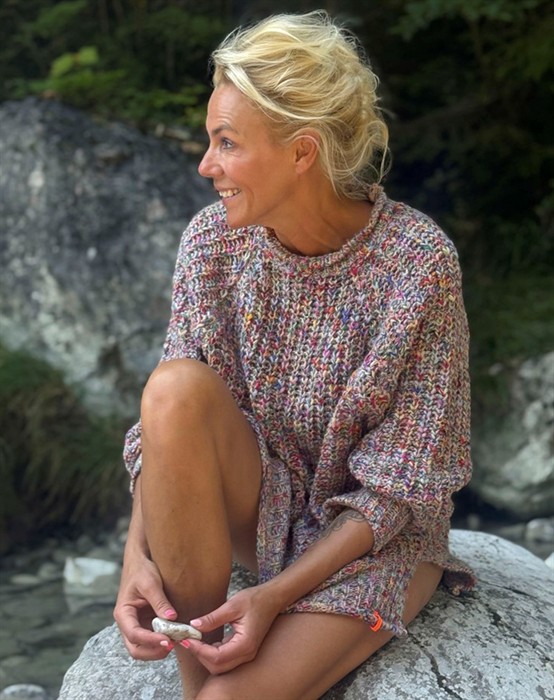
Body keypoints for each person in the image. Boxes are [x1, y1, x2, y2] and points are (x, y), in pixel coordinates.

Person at [114, 10, 476, 700]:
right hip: (263, 509)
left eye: (227, 143)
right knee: (173, 387)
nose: (206, 165)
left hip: (375, 540)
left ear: (302, 152)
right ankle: (199, 669)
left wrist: (274, 596)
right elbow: (166, 437)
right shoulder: (212, 244)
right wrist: (137, 558)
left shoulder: (416, 264)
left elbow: (399, 490)